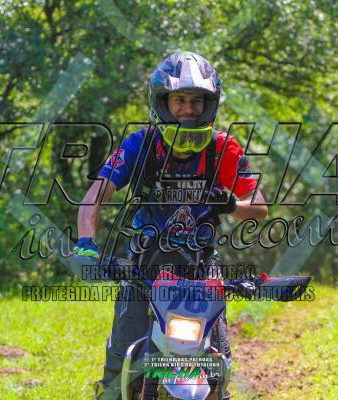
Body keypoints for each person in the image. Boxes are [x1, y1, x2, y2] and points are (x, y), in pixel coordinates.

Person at [72, 51, 268, 399]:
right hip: (143, 267)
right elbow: (94, 196)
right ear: (162, 102)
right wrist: (86, 244)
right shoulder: (140, 144)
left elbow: (259, 207)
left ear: (209, 104)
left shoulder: (223, 148)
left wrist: (231, 205)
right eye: (180, 100)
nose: (188, 109)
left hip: (200, 269)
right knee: (121, 366)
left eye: (196, 101)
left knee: (216, 363)